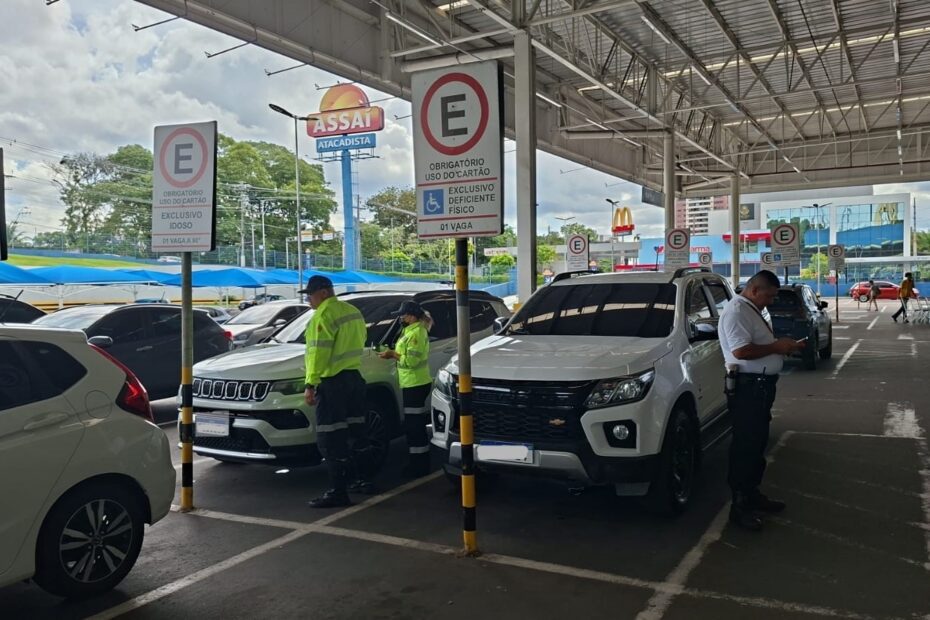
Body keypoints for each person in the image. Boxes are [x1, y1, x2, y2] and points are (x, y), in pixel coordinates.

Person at [719, 270, 806, 531]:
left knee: (757, 445)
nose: (771, 301)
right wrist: (777, 347)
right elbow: (741, 351)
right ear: (755, 290)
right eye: (769, 295)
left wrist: (783, 348)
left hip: (760, 387)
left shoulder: (749, 309)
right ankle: (740, 505)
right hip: (748, 388)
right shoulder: (737, 312)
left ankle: (752, 495)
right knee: (746, 447)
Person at [300, 275, 374, 508]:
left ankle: (338, 492)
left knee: (330, 438)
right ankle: (362, 480)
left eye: (310, 295)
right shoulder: (352, 311)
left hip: (332, 383)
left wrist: (310, 384)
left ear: (323, 292)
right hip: (353, 379)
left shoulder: (323, 315)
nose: (309, 300)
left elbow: (317, 353)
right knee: (357, 432)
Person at [379, 300, 433, 478]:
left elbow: (411, 361)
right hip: (412, 383)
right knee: (413, 424)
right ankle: (418, 462)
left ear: (411, 315)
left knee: (415, 426)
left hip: (415, 384)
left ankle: (419, 466)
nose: (401, 318)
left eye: (403, 315)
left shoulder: (417, 332)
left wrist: (392, 354)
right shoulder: (410, 330)